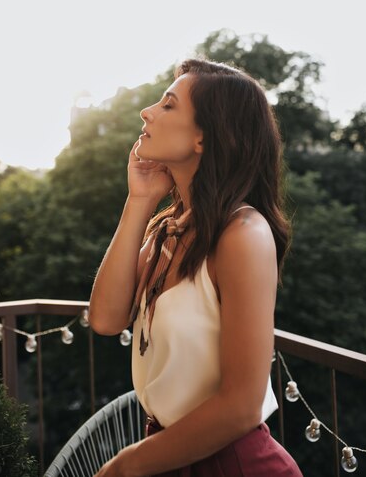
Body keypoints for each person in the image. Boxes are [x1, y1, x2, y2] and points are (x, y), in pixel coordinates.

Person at [89, 58, 303, 477]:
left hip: (234, 464)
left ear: (204, 137)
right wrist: (139, 201)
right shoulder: (168, 229)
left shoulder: (243, 234)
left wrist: (122, 466)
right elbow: (105, 319)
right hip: (170, 454)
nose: (146, 112)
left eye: (168, 106)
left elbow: (242, 407)